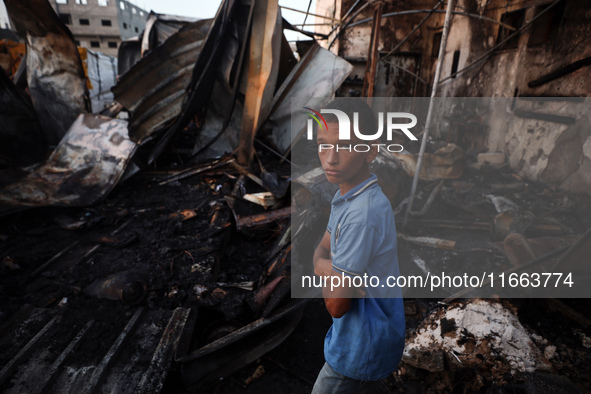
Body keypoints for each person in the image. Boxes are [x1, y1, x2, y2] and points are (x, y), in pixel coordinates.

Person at [311, 99, 405, 394]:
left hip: (357, 347)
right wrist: (325, 267)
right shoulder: (347, 196)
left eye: (345, 145)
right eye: (324, 145)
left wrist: (321, 265)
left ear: (371, 151)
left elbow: (337, 306)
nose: (331, 159)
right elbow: (320, 251)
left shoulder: (361, 215)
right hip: (368, 337)